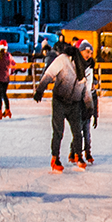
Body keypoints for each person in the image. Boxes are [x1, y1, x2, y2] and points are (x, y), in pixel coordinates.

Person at [34, 40, 88, 171]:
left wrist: (85, 102)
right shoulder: (62, 60)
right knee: (58, 131)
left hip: (74, 102)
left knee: (77, 131)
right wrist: (40, 90)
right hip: (60, 101)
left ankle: (78, 156)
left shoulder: (81, 64)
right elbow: (49, 74)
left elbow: (84, 85)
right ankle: (55, 158)